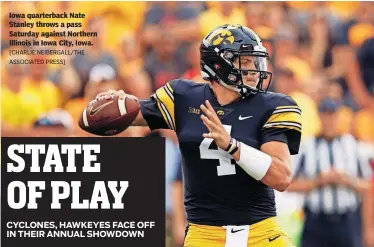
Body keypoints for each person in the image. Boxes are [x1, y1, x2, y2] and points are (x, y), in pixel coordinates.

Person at [87, 24, 302, 247]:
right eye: (245, 62)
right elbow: (120, 116)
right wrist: (116, 103)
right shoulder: (182, 98)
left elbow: (281, 178)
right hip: (204, 235)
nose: (254, 70)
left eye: (255, 62)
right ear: (219, 65)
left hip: (261, 233)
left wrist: (232, 146)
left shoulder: (275, 105)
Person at [288, 97, 373, 247]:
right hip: (316, 220)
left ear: (338, 116)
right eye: (325, 114)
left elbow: (368, 186)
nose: (329, 119)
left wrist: (346, 180)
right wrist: (318, 182)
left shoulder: (352, 144)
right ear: (319, 116)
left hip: (347, 220)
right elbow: (289, 185)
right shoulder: (307, 146)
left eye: (332, 114)